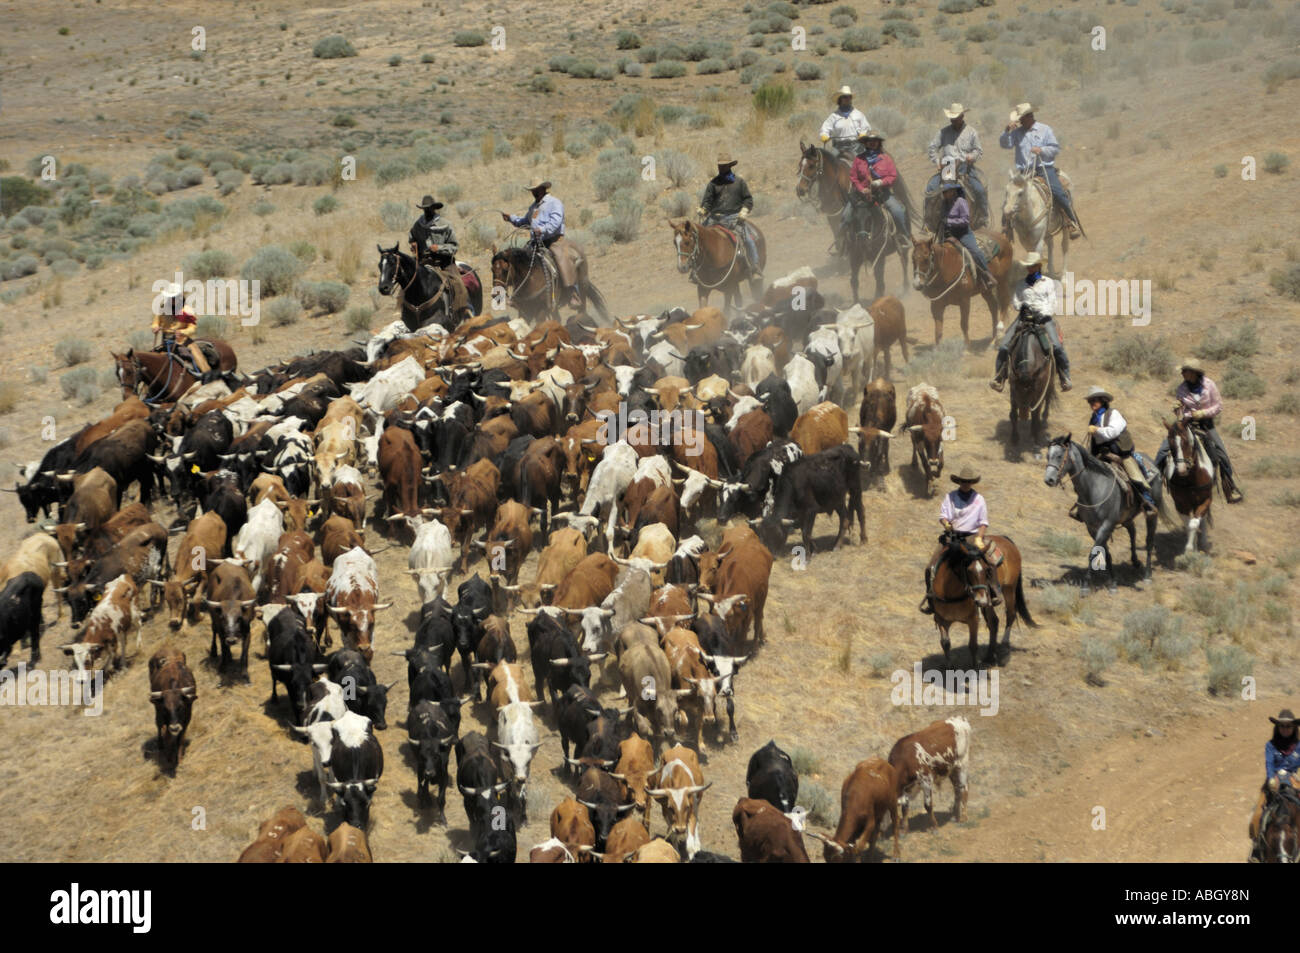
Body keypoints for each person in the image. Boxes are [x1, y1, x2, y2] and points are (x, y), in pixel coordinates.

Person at [1154, 358, 1244, 503]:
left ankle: (1230, 487)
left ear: (1193, 373)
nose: (1182, 373)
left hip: (1206, 425)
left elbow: (1218, 406)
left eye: (1185, 371)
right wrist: (1178, 409)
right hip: (1187, 423)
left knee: (1222, 454)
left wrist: (1203, 413)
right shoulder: (1182, 388)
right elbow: (1180, 413)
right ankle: (1154, 481)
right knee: (1164, 449)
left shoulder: (1209, 385)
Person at [920, 465, 1003, 614]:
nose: (966, 484)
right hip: (952, 536)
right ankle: (931, 597)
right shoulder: (950, 497)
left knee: (990, 562)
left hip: (971, 537)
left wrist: (979, 537)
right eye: (963, 481)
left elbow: (983, 522)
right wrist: (946, 524)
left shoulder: (979, 499)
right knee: (930, 566)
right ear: (959, 482)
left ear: (972, 483)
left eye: (968, 481)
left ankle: (994, 591)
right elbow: (943, 516)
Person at [990, 251, 1072, 392]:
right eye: (1028, 266)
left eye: (1032, 266)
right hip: (1024, 316)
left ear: (1039, 266)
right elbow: (1015, 300)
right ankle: (999, 377)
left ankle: (1065, 377)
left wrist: (1041, 312)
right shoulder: (1021, 284)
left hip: (1044, 318)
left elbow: (1052, 303)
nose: (1030, 268)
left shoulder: (1048, 283)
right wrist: (1022, 306)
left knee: (1057, 347)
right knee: (1004, 346)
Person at [999, 103, 1082, 240]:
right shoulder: (1016, 133)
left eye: (1021, 118)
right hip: (1024, 171)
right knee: (1009, 195)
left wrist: (1041, 150)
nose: (1019, 122)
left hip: (1043, 168)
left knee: (1058, 193)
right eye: (1018, 119)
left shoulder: (1045, 130)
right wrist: (1006, 130)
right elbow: (1004, 144)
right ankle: (1006, 228)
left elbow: (1055, 149)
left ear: (1029, 116)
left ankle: (1071, 221)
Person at [501, 179, 580, 308]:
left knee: (561, 258)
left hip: (554, 241)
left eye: (537, 190)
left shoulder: (554, 203)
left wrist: (542, 229)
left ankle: (572, 292)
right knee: (520, 261)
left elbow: (556, 222)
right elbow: (525, 222)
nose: (535, 192)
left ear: (544, 189)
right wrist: (511, 218)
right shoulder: (533, 207)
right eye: (533, 190)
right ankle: (518, 296)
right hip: (536, 243)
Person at [1085, 386, 1156, 513]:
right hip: (1102, 453)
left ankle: (1147, 501)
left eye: (1094, 400)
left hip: (1119, 453)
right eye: (1090, 401)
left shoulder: (1113, 414)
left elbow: (1112, 432)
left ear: (1102, 400)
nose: (1091, 404)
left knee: (1134, 475)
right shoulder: (1094, 418)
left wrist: (1097, 430)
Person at [697, 154, 761, 277]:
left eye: (724, 166)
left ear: (729, 166)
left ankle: (755, 267)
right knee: (698, 237)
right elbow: (707, 201)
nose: (721, 168)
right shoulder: (713, 184)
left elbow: (748, 200)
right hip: (714, 219)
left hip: (734, 218)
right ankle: (697, 271)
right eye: (719, 166)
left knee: (748, 240)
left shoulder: (739, 182)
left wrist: (744, 211)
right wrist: (704, 209)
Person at [1249, 709, 1300, 859]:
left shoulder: (1299, 746)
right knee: (1256, 816)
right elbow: (1269, 764)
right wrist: (1271, 778)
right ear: (1277, 727)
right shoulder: (1270, 745)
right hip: (1273, 782)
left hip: (1292, 781)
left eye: (1288, 726)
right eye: (1282, 726)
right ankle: (1257, 851)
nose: (1285, 729)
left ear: (1294, 728)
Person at [410, 194, 470, 317]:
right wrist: (413, 244)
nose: (427, 211)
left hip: (444, 263)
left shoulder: (445, 224)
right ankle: (408, 314)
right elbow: (412, 237)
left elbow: (454, 246)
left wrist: (439, 248)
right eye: (425, 209)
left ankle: (461, 313)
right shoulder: (417, 225)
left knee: (459, 286)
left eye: (429, 208)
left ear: (434, 208)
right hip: (424, 263)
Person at [848, 131, 909, 249]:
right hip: (862, 196)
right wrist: (862, 189)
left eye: (875, 141)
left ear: (878, 143)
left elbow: (892, 175)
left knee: (897, 211)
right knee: (846, 216)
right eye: (869, 141)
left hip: (882, 194)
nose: (872, 143)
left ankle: (903, 236)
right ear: (865, 143)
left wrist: (880, 182)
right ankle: (845, 243)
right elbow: (853, 178)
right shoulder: (858, 159)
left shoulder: (886, 159)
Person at [926, 103, 987, 217]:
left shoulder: (971, 132)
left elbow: (978, 151)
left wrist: (971, 156)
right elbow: (932, 148)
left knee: (979, 190)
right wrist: (937, 161)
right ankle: (928, 221)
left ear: (962, 116)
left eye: (956, 118)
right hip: (947, 167)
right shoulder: (943, 132)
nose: (953, 120)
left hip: (965, 167)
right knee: (930, 189)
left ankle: (984, 216)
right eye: (952, 118)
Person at [151, 282, 213, 380]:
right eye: (170, 297)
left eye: (174, 297)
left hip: (183, 341)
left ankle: (208, 376)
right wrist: (155, 327)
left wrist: (183, 332)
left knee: (197, 356)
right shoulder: (162, 308)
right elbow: (156, 322)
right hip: (166, 342)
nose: (172, 300)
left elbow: (193, 328)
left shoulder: (187, 310)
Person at [939, 182, 993, 291]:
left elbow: (965, 220)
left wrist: (949, 221)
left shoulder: (961, 202)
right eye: (943, 192)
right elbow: (943, 216)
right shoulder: (944, 204)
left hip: (963, 233)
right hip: (948, 234)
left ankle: (987, 275)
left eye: (946, 192)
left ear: (953, 191)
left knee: (975, 251)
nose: (944, 194)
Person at [819, 86, 872, 162]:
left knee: (865, 163)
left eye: (849, 97)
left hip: (856, 146)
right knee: (828, 163)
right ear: (840, 99)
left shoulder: (858, 114)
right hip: (838, 147)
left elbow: (866, 127)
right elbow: (825, 128)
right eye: (845, 97)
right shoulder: (833, 116)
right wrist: (824, 135)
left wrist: (863, 134)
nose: (847, 99)